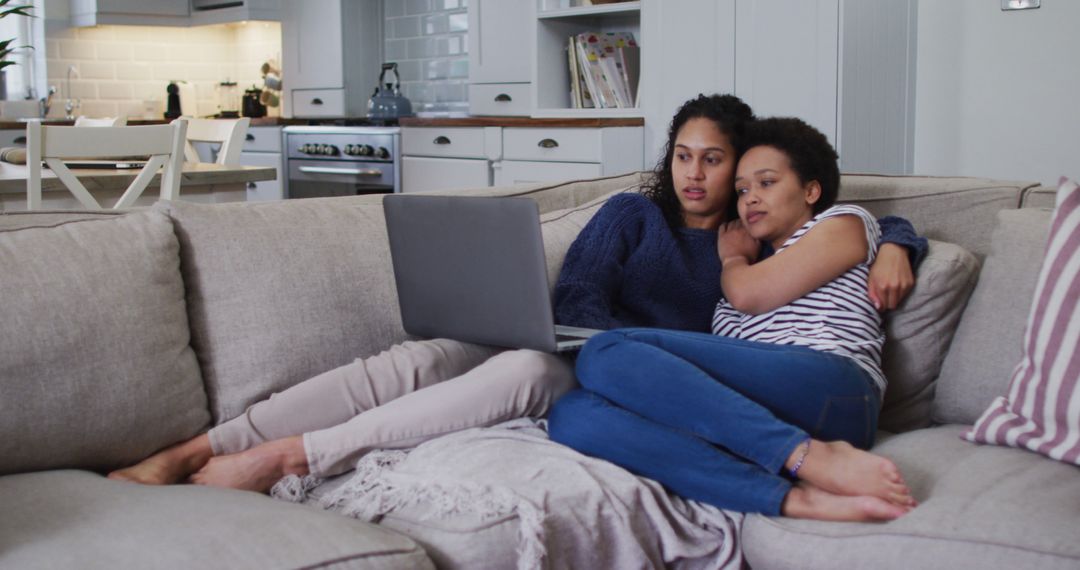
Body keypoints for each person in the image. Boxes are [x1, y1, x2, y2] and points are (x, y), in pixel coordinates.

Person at [108, 95, 925, 493]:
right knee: (423, 356)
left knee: (530, 377)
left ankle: (291, 458)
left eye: (717, 161)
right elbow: (578, 290)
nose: (698, 175)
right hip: (576, 343)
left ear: (748, 171)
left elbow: (852, 218)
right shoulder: (630, 214)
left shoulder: (752, 242)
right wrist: (580, 338)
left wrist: (900, 237)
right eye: (684, 155)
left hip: (603, 372)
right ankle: (202, 446)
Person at [548, 116, 918, 523]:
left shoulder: (841, 222)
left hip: (835, 386)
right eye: (742, 189)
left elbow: (748, 293)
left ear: (811, 190)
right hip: (769, 411)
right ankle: (789, 498)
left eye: (767, 183)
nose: (751, 199)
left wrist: (898, 244)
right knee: (574, 416)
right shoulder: (751, 264)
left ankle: (804, 457)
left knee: (603, 350)